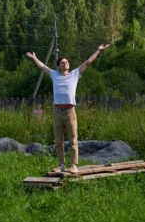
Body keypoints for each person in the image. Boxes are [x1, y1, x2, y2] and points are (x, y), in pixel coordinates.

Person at [26, 44, 110, 174]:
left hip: (70, 112)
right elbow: (42, 67)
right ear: (58, 66)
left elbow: (88, 63)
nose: (65, 63)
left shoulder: (75, 74)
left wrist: (98, 50)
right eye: (62, 62)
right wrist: (34, 58)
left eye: (66, 62)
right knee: (58, 142)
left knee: (73, 140)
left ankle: (73, 165)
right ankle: (61, 165)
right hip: (57, 113)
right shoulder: (54, 74)